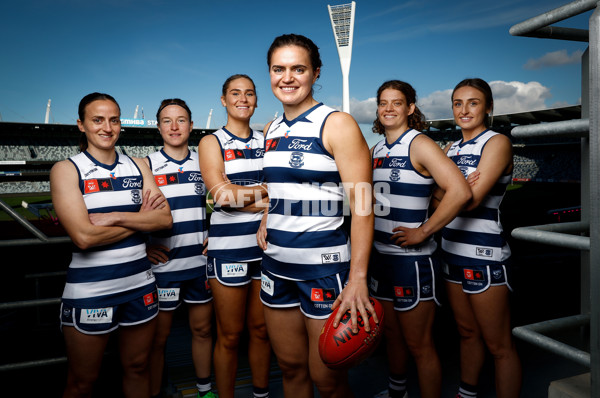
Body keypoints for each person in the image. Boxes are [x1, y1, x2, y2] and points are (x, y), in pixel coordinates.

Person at [258, 33, 377, 398]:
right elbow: (280, 188)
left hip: (324, 270)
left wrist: (358, 278)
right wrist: (267, 217)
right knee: (290, 369)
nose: (287, 78)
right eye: (279, 69)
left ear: (315, 72)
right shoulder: (271, 128)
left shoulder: (337, 124)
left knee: (326, 377)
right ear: (270, 73)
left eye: (298, 68)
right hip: (276, 266)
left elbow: (363, 205)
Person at [50, 92, 173, 398]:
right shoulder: (66, 170)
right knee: (82, 382)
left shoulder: (138, 166)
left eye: (114, 120)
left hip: (140, 286)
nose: (107, 127)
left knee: (138, 368)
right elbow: (84, 237)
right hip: (91, 291)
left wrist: (116, 217)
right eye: (97, 120)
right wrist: (139, 219)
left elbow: (164, 221)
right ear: (81, 125)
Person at [369, 80, 472, 398]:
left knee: (419, 343)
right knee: (391, 336)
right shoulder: (376, 149)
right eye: (383, 102)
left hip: (411, 261)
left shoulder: (420, 144)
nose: (388, 108)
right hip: (380, 257)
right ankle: (396, 391)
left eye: (396, 103)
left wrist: (424, 231)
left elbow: (460, 191)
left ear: (410, 108)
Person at [439, 78, 521, 398]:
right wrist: (456, 188)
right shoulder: (451, 148)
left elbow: (470, 202)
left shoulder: (497, 142)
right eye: (458, 103)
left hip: (484, 255)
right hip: (450, 252)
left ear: (488, 107)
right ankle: (467, 393)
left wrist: (451, 189)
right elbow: (437, 198)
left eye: (473, 103)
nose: (464, 110)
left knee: (499, 345)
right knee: (466, 332)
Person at [198, 74, 271, 398]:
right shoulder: (212, 142)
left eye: (250, 93)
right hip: (228, 250)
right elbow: (222, 197)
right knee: (229, 335)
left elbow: (240, 195)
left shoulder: (268, 140)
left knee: (260, 331)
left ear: (256, 100)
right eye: (235, 93)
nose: (243, 98)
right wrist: (267, 193)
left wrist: (252, 199)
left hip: (266, 247)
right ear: (223, 100)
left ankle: (261, 393)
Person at [145, 99, 215, 398]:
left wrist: (218, 234)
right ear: (158, 125)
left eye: (181, 120)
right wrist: (142, 248)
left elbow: (222, 205)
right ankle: (158, 391)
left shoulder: (205, 161)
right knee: (158, 339)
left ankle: (204, 390)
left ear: (191, 124)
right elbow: (136, 214)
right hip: (164, 268)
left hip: (199, 264)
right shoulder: (144, 164)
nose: (174, 127)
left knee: (202, 331)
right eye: (167, 120)